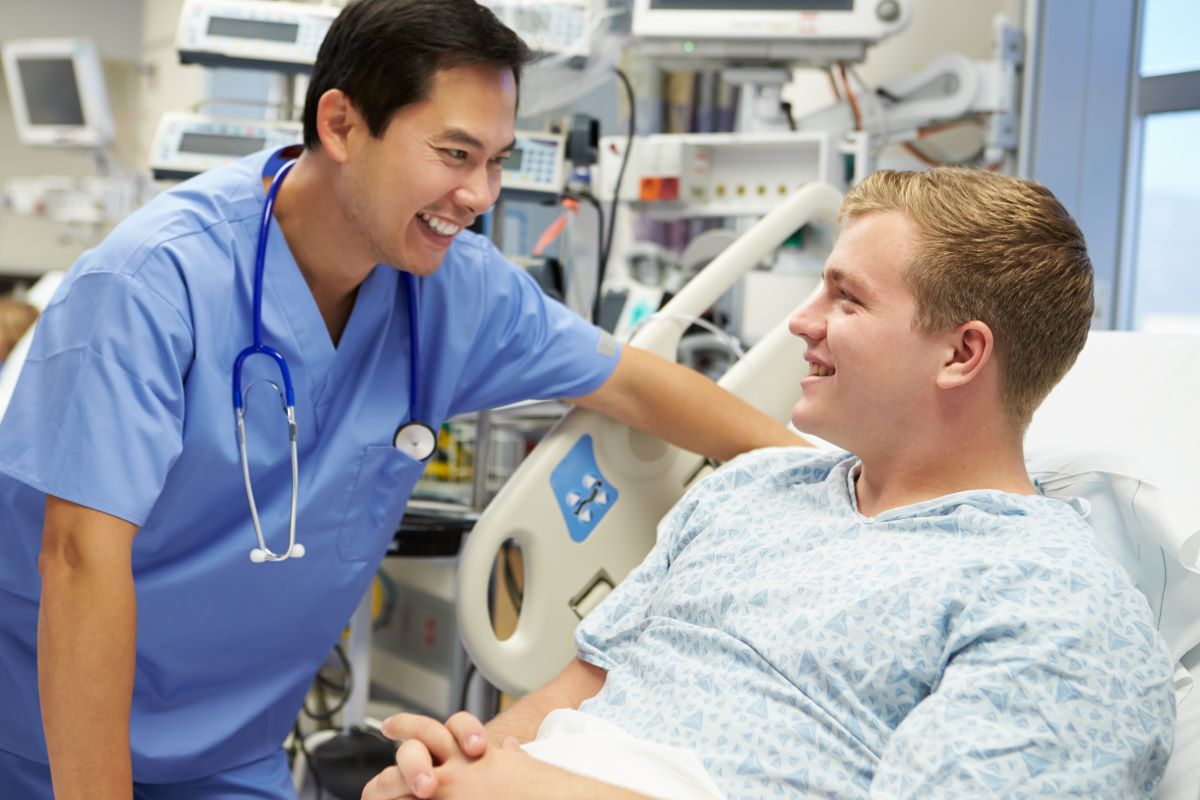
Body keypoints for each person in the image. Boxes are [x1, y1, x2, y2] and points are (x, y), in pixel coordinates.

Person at [0, 1, 804, 797]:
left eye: (496, 160)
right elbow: (77, 561)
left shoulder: (453, 289)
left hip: (228, 754)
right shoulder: (150, 285)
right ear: (342, 125)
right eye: (455, 153)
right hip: (39, 739)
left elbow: (631, 382)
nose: (482, 192)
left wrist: (830, 486)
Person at [367, 168, 1178, 799]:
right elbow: (585, 686)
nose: (800, 319)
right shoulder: (749, 493)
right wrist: (458, 765)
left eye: (846, 298)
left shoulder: (1055, 601)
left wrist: (549, 791)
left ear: (961, 354)